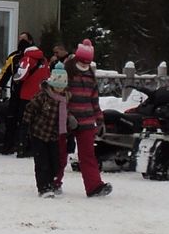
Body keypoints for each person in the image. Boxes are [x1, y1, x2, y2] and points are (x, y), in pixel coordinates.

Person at [57, 38, 111, 197]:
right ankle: (54, 182)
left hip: (87, 122)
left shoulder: (90, 75)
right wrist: (67, 116)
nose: (85, 66)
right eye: (82, 62)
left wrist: (100, 120)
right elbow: (60, 96)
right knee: (60, 154)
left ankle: (94, 186)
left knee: (88, 156)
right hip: (67, 121)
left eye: (88, 63)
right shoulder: (66, 72)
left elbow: (94, 100)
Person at [22, 62, 69, 196]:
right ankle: (43, 187)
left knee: (55, 162)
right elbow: (30, 110)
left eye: (62, 88)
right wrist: (25, 127)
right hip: (39, 133)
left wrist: (69, 128)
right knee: (42, 162)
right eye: (57, 87)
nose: (59, 90)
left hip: (54, 135)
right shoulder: (43, 96)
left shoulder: (64, 99)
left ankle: (51, 183)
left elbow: (66, 117)